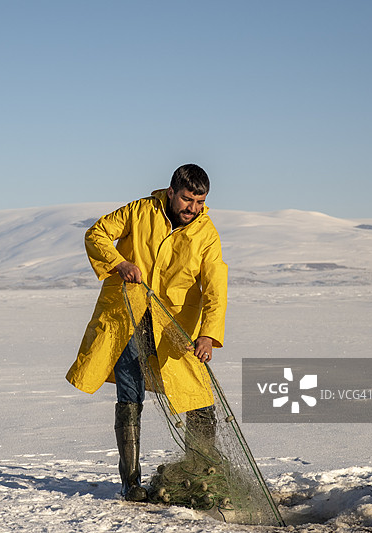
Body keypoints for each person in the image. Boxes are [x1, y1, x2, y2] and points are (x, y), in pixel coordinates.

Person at [66, 163, 228, 502]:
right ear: (171, 192)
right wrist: (119, 263)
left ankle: (202, 476)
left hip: (175, 328)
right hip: (127, 318)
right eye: (187, 200)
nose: (192, 209)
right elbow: (95, 234)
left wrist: (208, 335)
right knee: (129, 393)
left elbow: (215, 286)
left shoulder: (206, 233)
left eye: (199, 202)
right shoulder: (139, 212)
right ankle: (131, 484)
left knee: (198, 396)